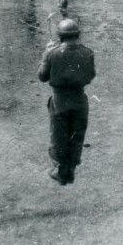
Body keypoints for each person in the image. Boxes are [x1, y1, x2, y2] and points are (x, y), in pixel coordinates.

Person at [38, 19, 96, 185]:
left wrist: (45, 55)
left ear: (60, 36)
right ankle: (71, 170)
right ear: (77, 35)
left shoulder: (52, 53)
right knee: (77, 136)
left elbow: (42, 76)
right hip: (80, 100)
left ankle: (60, 170)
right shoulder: (88, 52)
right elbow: (91, 76)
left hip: (59, 100)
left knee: (58, 136)